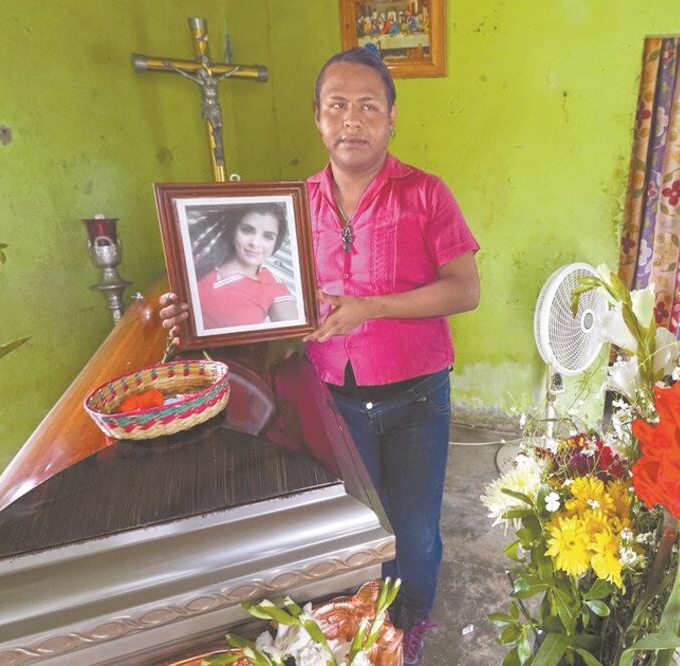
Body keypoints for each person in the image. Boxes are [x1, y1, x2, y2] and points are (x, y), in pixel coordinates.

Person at [162, 47, 480, 665]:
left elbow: (464, 290)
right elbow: (258, 294)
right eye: (338, 105)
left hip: (417, 395)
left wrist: (369, 307)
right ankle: (367, 628)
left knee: (414, 532)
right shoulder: (289, 208)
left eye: (368, 106)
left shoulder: (426, 194)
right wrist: (197, 314)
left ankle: (411, 623)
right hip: (335, 398)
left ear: (392, 118)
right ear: (318, 118)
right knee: (356, 530)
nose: (352, 120)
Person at [192, 203, 298, 329]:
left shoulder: (275, 288)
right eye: (247, 230)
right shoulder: (200, 259)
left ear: (276, 243)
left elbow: (295, 338)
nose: (255, 243)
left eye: (268, 236)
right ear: (234, 231)